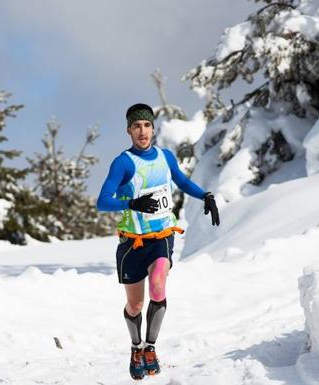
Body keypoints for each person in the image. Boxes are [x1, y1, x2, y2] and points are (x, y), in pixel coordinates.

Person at [97, 103, 220, 380]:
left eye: (147, 125)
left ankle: (150, 347)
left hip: (162, 236)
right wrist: (132, 201)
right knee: (136, 305)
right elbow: (102, 202)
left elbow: (181, 181)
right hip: (132, 242)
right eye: (137, 126)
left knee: (158, 286)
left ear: (153, 128)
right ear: (129, 130)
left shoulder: (165, 156)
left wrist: (206, 196)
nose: (143, 131)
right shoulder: (123, 163)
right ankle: (136, 347)